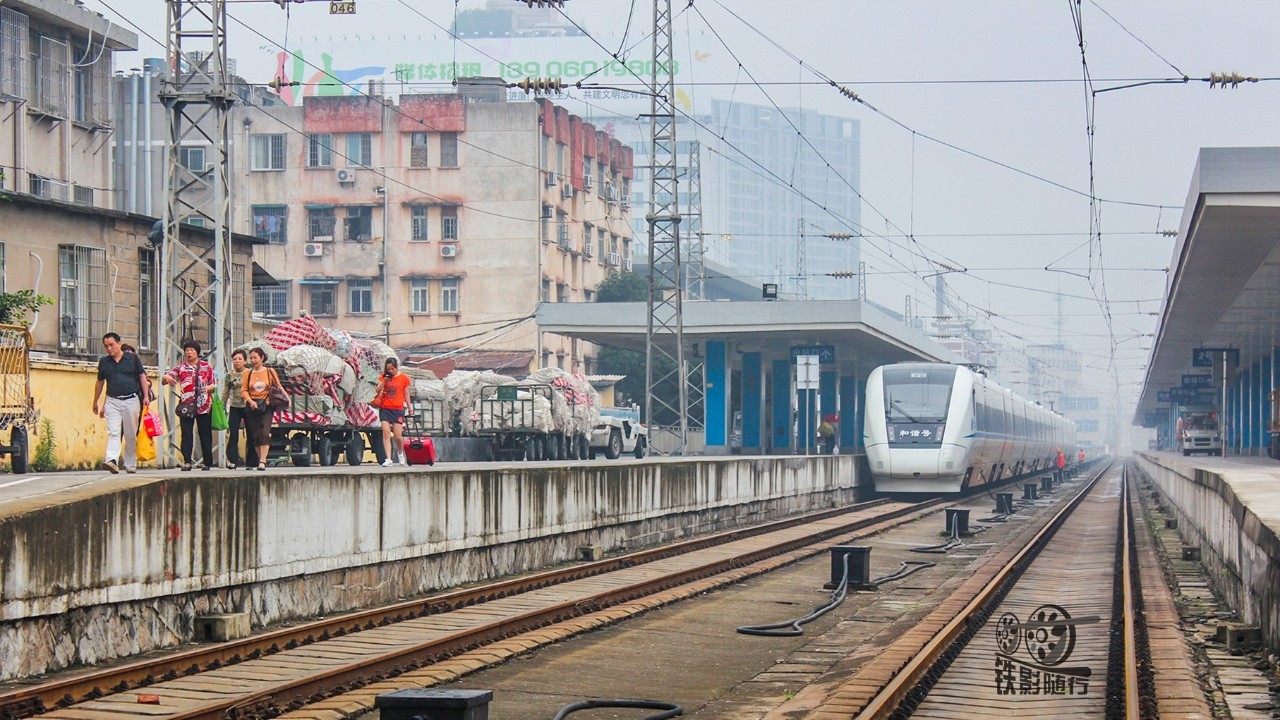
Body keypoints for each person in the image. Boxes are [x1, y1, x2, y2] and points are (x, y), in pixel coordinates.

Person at [93, 332, 151, 474]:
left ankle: (130, 463)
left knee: (130, 433)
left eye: (112, 345)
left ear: (119, 344)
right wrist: (95, 401)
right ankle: (111, 460)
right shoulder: (104, 362)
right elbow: (100, 382)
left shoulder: (131, 358)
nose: (109, 348)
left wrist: (145, 396)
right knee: (114, 432)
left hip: (131, 400)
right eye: (106, 346)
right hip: (112, 400)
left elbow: (142, 376)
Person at [162, 340, 216, 471]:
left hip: (204, 405)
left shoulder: (206, 367)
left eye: (192, 350)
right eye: (186, 350)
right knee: (186, 434)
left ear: (197, 352)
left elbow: (214, 384)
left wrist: (209, 388)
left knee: (205, 434)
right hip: (187, 405)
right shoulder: (180, 367)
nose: (189, 352)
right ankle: (187, 461)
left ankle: (207, 462)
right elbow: (167, 378)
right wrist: (166, 377)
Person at [241, 347, 279, 471]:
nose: (253, 360)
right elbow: (244, 390)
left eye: (255, 358)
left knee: (264, 431)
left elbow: (277, 386)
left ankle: (262, 461)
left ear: (262, 358)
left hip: (267, 406)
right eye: (251, 358)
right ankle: (259, 458)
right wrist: (250, 401)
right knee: (255, 434)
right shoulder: (248, 373)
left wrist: (285, 400)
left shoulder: (270, 371)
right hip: (252, 406)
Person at [224, 349, 258, 470]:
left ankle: (251, 462)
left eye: (240, 359)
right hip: (235, 406)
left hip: (248, 407)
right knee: (233, 433)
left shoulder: (250, 373)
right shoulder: (229, 375)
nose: (237, 361)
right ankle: (232, 460)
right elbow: (225, 392)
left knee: (251, 433)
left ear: (244, 361)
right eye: (235, 359)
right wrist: (222, 406)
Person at [375, 357, 412, 467]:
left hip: (398, 409)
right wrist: (384, 382)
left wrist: (410, 408)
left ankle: (400, 453)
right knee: (386, 433)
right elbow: (376, 390)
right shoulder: (383, 377)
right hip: (385, 408)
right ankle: (388, 458)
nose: (391, 371)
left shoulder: (403, 378)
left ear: (396, 367)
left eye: (392, 369)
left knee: (397, 436)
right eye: (389, 369)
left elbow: (406, 394)